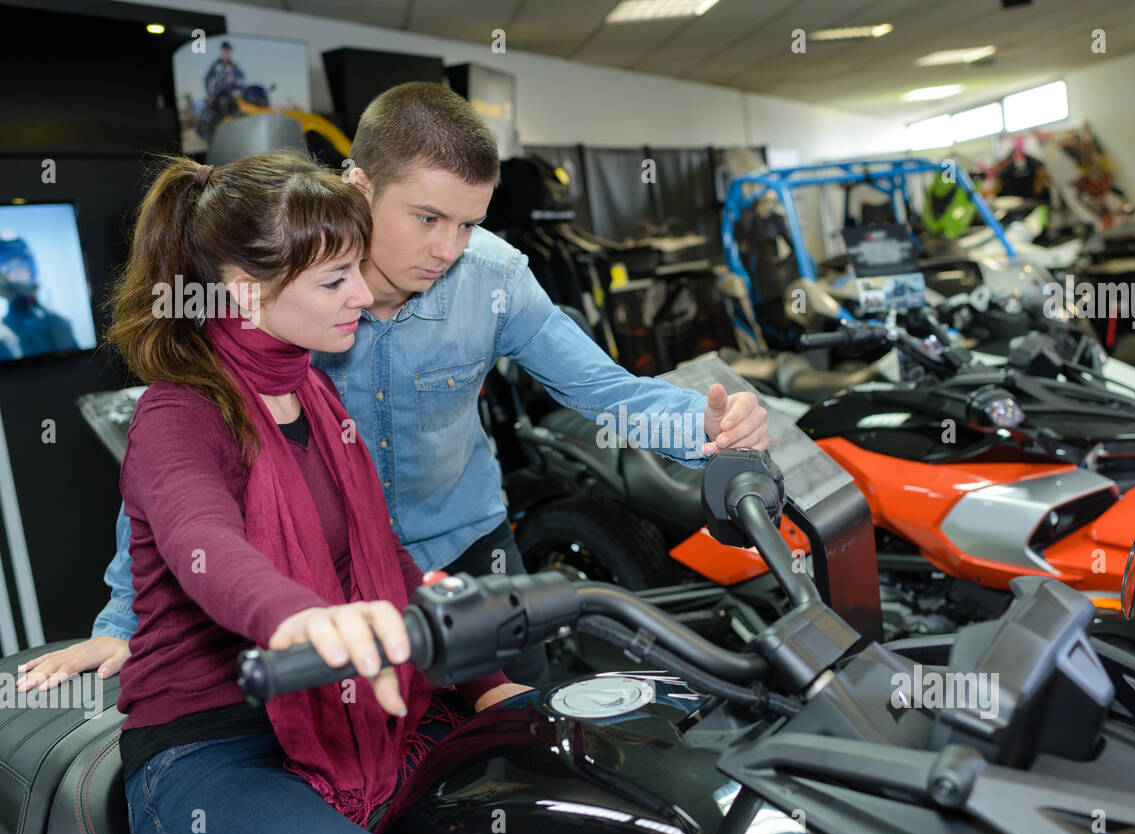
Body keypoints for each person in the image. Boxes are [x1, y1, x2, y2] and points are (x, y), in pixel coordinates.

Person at [20, 82, 768, 694]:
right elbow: (170, 482)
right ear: (359, 185)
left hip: (468, 550)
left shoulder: (494, 277)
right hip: (322, 572)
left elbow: (605, 390)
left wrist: (708, 429)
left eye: (468, 225)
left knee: (521, 737)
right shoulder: (282, 299)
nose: (448, 249)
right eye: (428, 217)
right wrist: (120, 620)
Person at [101, 151, 526, 834]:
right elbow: (201, 539)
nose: (362, 292)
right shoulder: (177, 412)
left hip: (346, 708)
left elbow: (385, 557)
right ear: (242, 292)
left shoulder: (314, 393)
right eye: (336, 278)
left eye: (358, 267)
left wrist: (489, 681)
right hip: (214, 747)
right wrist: (299, 618)